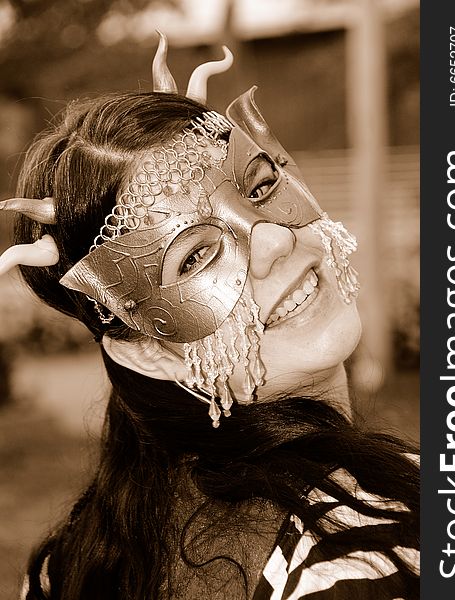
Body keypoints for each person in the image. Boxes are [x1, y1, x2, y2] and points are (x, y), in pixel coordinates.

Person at [0, 34, 419, 600]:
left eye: (261, 186)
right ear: (143, 350)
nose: (271, 241)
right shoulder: (370, 550)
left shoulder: (60, 570)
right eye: (195, 256)